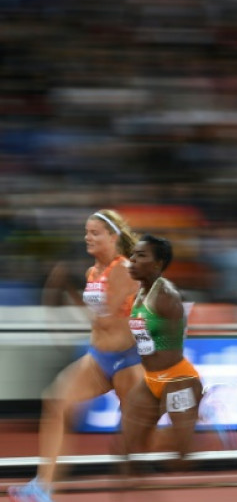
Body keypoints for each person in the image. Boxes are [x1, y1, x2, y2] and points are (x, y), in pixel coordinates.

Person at [10, 210, 141, 502]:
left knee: (139, 437)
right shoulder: (92, 272)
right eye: (86, 232)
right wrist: (63, 289)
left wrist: (66, 288)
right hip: (100, 358)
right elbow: (95, 319)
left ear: (113, 237)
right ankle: (43, 486)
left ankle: (199, 406)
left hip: (129, 361)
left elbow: (107, 319)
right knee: (56, 402)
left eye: (95, 233)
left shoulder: (123, 269)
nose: (87, 237)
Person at [120, 234, 203, 471]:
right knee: (127, 447)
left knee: (181, 458)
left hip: (178, 380)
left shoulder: (167, 296)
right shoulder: (138, 294)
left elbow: (177, 335)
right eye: (133, 255)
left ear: (157, 264)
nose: (132, 260)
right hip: (151, 379)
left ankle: (201, 415)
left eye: (141, 255)